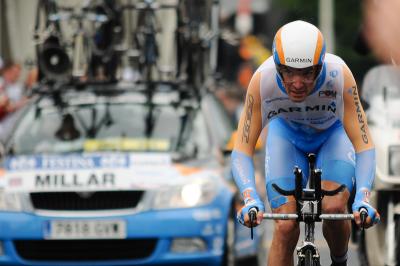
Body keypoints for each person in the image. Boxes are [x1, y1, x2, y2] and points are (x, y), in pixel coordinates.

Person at [231, 20, 380, 266]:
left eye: (307, 73)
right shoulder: (262, 81)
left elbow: (364, 145)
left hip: (332, 135)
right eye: (288, 72)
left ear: (320, 66)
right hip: (286, 138)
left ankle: (340, 261)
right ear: (277, 66)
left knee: (333, 209)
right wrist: (250, 198)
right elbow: (242, 150)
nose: (297, 83)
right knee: (285, 224)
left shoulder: (338, 74)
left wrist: (363, 197)